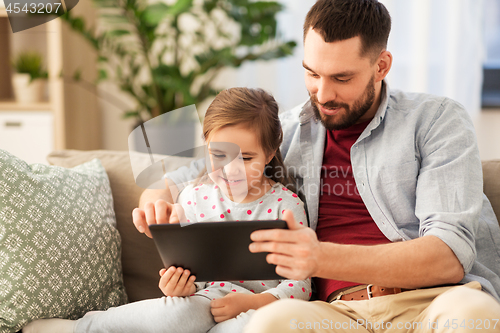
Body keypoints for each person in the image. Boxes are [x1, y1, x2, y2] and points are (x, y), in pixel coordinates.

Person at [134, 1, 500, 332]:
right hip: (335, 315)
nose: (323, 94)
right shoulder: (288, 130)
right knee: (268, 324)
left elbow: (448, 256)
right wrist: (158, 192)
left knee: (473, 316)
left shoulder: (436, 120)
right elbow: (203, 166)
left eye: (342, 78)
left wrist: (321, 257)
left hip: (433, 301)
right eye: (312, 73)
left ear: (381, 66)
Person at [23, 87, 311, 333]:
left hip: (258, 311)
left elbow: (301, 284)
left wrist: (252, 303)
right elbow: (184, 270)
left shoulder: (286, 206)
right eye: (218, 155)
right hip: (201, 304)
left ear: (271, 151)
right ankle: (81, 328)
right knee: (176, 314)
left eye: (247, 158)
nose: (230, 170)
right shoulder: (193, 198)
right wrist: (178, 286)